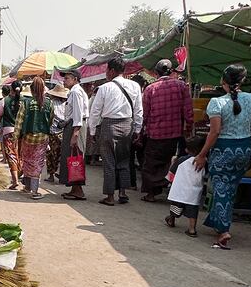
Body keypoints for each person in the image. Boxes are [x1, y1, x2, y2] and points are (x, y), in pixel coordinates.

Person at [195, 64, 251, 249]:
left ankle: (223, 230)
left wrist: (202, 154)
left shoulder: (217, 103)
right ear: (243, 80)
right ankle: (215, 221)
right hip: (244, 149)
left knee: (220, 189)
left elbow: (215, 132)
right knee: (230, 188)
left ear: (223, 81)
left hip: (223, 150)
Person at [88, 58, 143, 206]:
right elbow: (138, 109)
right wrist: (137, 129)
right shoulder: (135, 86)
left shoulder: (105, 88)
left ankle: (110, 196)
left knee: (109, 161)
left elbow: (95, 112)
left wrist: (92, 131)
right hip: (127, 125)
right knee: (124, 160)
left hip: (109, 125)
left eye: (106, 70)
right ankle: (123, 193)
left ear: (111, 71)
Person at [141, 58, 194, 202]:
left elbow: (145, 113)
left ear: (156, 73)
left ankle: (151, 193)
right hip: (174, 133)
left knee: (151, 163)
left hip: (155, 133)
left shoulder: (150, 89)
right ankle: (167, 187)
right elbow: (188, 111)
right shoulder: (181, 86)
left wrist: (141, 131)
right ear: (171, 71)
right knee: (168, 161)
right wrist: (189, 128)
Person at [13, 77, 54, 199]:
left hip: (28, 137)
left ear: (31, 90)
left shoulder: (26, 102)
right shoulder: (49, 103)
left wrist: (15, 137)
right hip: (42, 138)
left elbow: (19, 121)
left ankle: (27, 187)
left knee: (27, 161)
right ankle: (35, 191)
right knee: (37, 163)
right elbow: (51, 120)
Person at [164, 136, 206, 238]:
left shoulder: (181, 160)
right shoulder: (204, 162)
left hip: (180, 190)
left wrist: (168, 181)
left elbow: (171, 173)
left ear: (187, 149)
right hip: (194, 192)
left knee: (176, 206)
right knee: (192, 211)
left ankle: (171, 219)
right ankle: (192, 229)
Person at [59, 69, 90, 200]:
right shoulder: (74, 92)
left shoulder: (76, 92)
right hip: (72, 126)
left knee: (75, 157)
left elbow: (77, 114)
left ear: (75, 79)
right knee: (72, 157)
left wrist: (75, 133)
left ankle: (78, 190)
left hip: (75, 127)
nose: (64, 81)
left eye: (67, 78)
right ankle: (75, 189)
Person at [0, 83, 20, 188]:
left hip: (8, 130)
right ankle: (20, 176)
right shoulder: (24, 100)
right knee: (20, 154)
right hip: (21, 131)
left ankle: (15, 180)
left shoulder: (4, 101)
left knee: (11, 154)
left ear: (10, 89)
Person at [45, 85, 69, 183]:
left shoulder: (50, 104)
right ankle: (60, 174)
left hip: (52, 132)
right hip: (62, 132)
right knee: (60, 155)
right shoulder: (66, 105)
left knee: (50, 155)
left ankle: (51, 175)